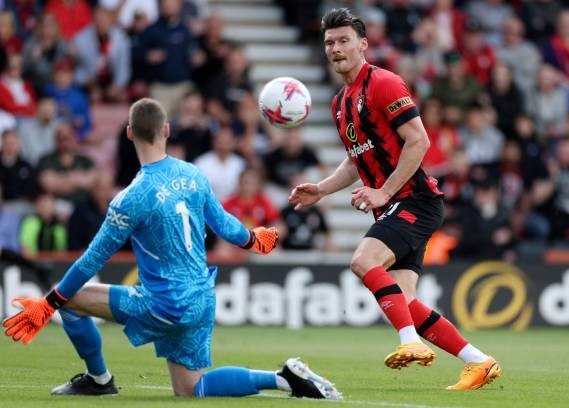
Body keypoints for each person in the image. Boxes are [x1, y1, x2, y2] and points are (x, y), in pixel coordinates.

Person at [3, 98, 340, 400]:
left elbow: (92, 259)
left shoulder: (130, 198)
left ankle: (99, 379)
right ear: (166, 129)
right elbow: (224, 225)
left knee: (70, 301)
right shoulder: (193, 174)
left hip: (164, 303)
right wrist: (255, 240)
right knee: (191, 389)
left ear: (129, 133)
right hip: (201, 298)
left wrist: (47, 305)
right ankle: (283, 378)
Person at [289, 8, 500, 391]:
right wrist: (320, 189)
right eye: (329, 43)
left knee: (362, 261)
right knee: (406, 303)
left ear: (363, 44)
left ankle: (410, 343)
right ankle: (479, 361)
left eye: (343, 41)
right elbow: (358, 160)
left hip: (415, 200)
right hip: (394, 204)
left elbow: (419, 140)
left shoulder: (384, 83)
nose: (335, 49)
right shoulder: (340, 103)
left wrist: (384, 191)